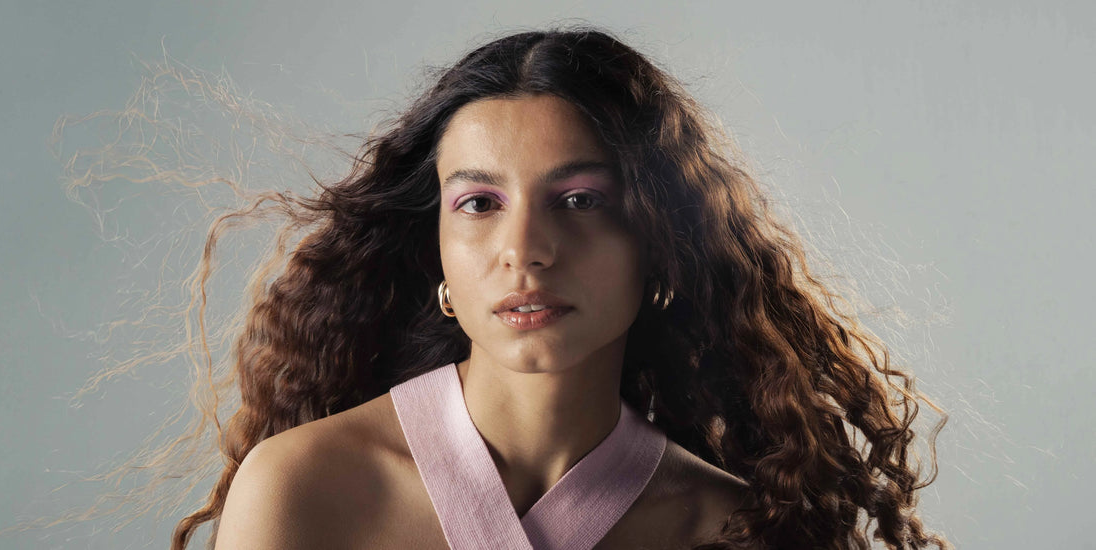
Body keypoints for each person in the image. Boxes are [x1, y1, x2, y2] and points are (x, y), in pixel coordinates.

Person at [168, 27, 951, 549]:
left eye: (579, 201)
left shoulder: (729, 526)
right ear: (434, 247)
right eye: (478, 203)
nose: (525, 251)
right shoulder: (304, 489)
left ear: (658, 243)